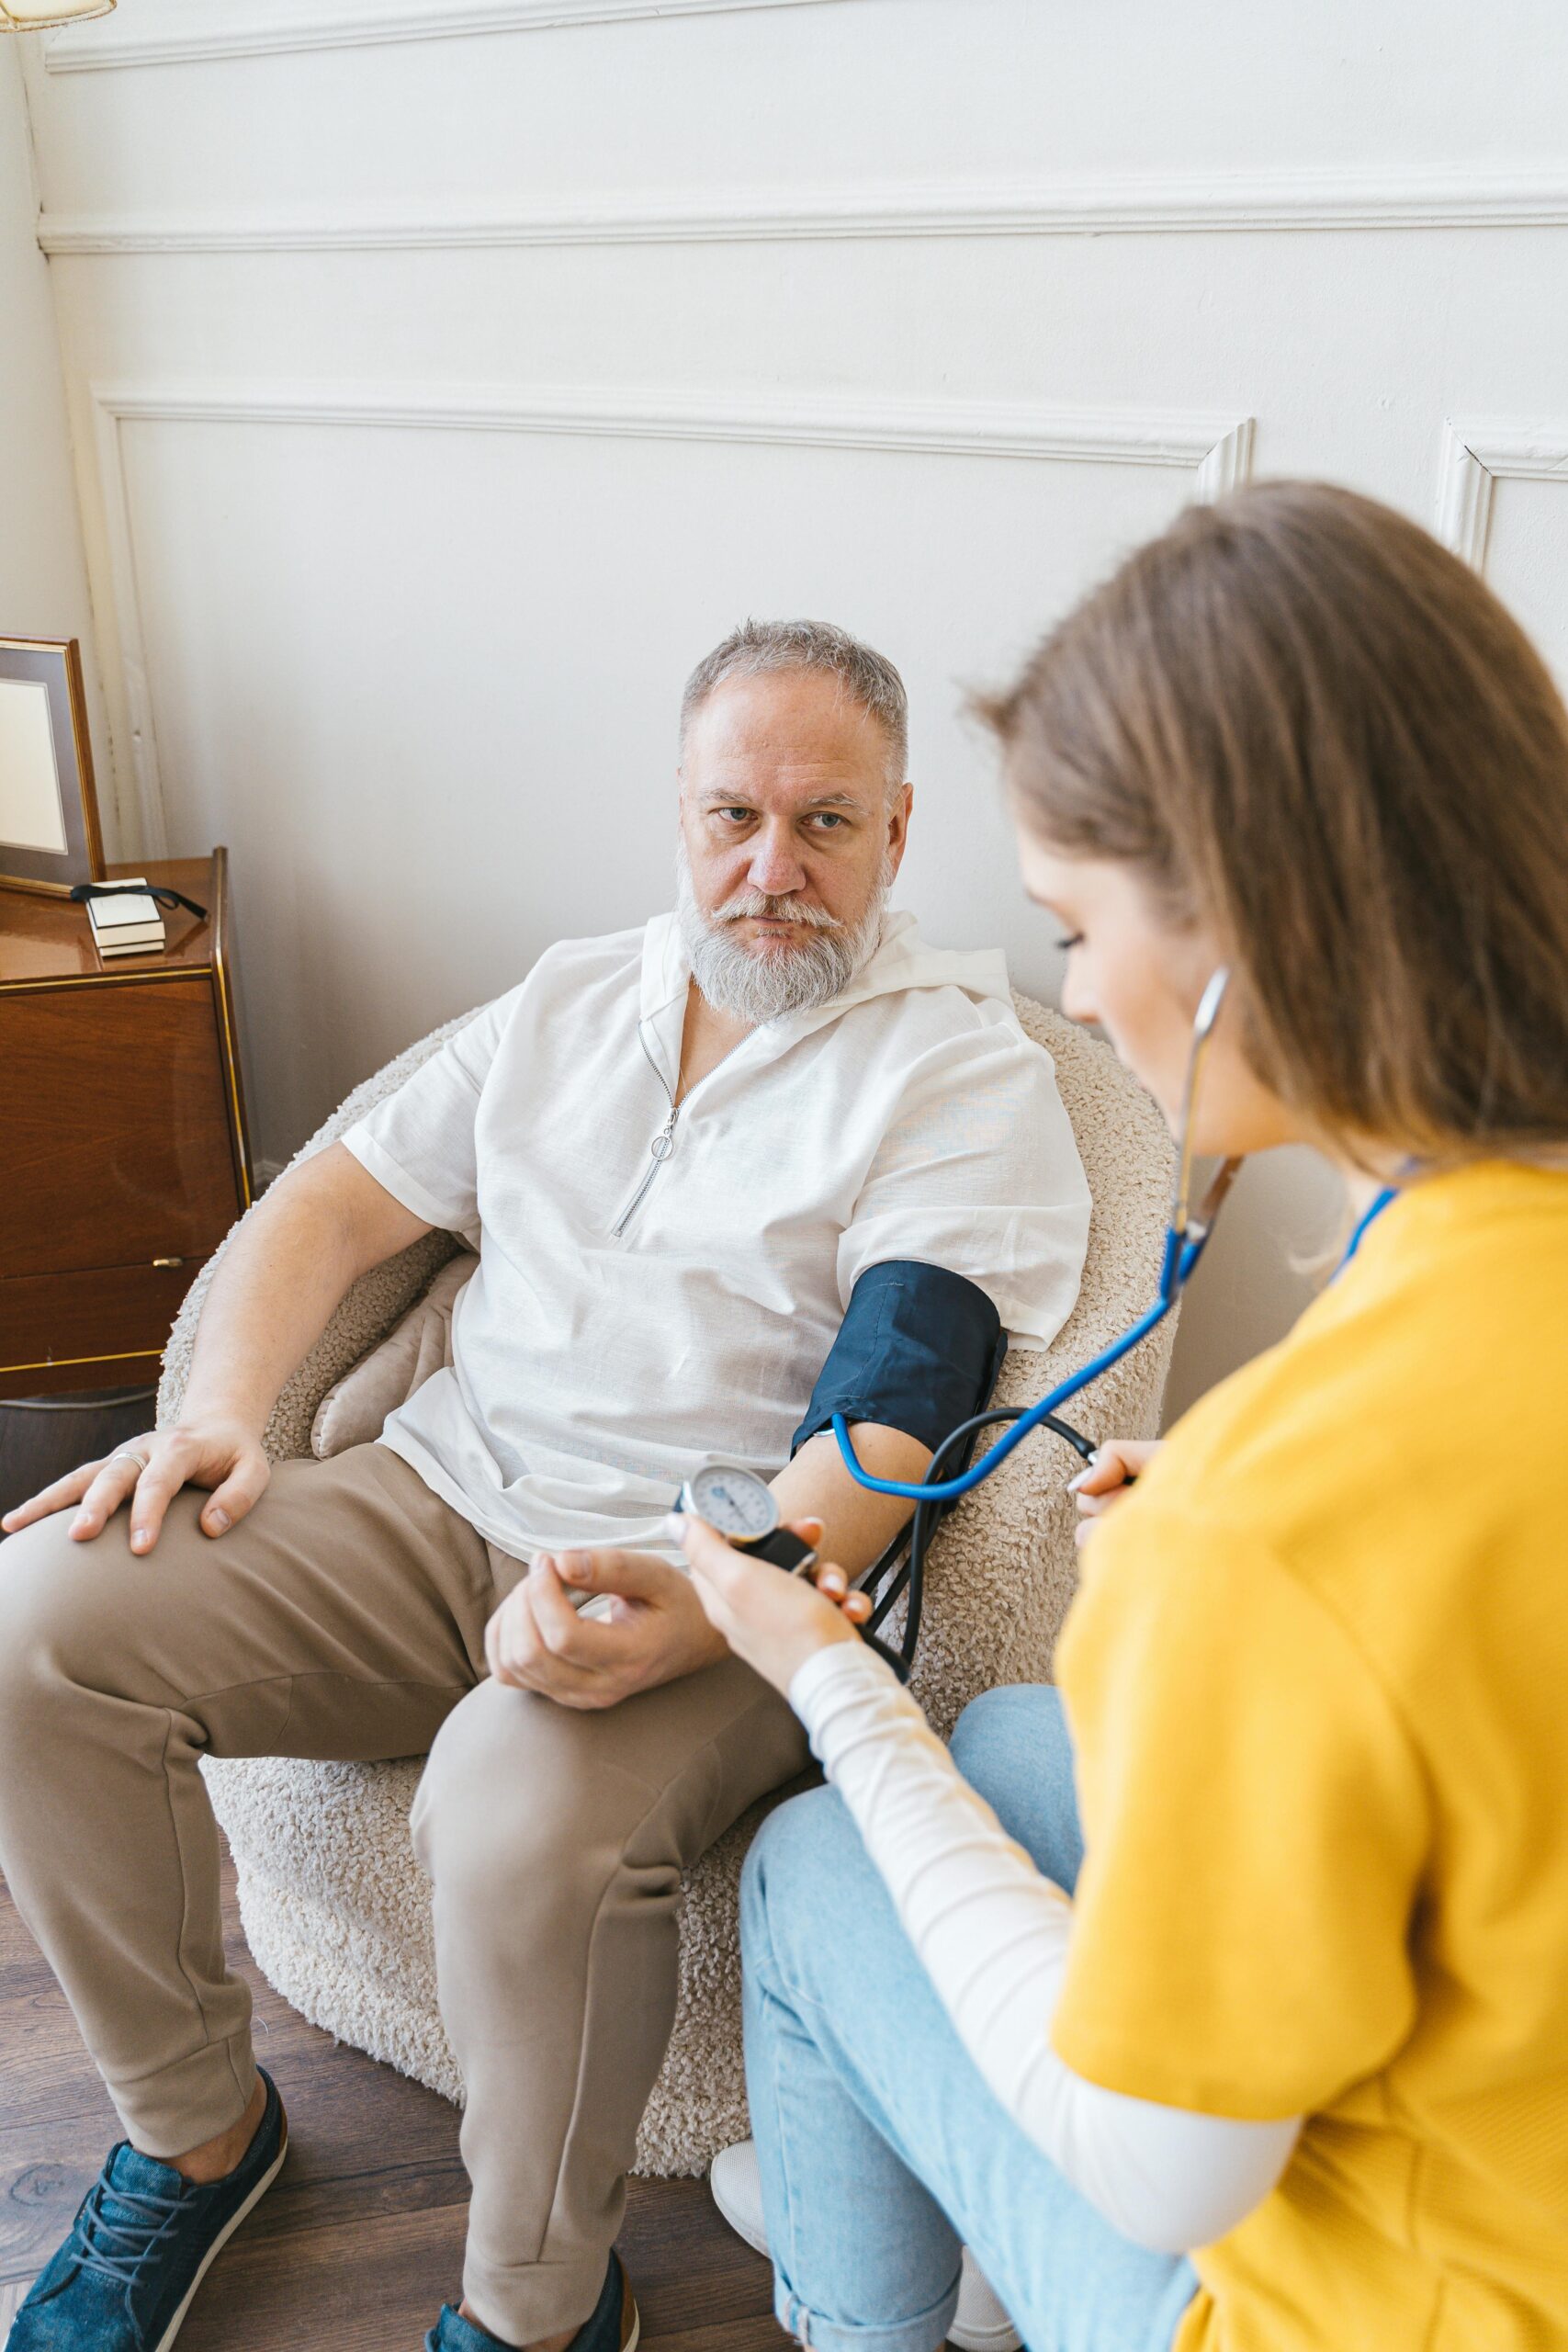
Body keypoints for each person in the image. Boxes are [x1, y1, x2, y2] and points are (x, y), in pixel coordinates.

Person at [0, 619, 1093, 2352]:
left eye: (824, 824)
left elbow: (897, 1415)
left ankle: (537, 2311)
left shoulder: (962, 1073)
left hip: (709, 1571)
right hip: (434, 1501)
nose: (770, 867)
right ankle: (196, 2139)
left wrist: (727, 1579)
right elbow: (332, 1208)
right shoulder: (574, 992)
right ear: (679, 812)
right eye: (733, 814)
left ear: (899, 833)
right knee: (35, 1621)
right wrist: (223, 1413)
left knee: (514, 1819)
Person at [674, 487, 1568, 2352]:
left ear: (1254, 934)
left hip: (1397, 2301)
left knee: (815, 1859)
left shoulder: (1281, 1511)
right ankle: (894, 2166)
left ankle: (869, 2282)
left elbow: (1164, 2169)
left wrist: (825, 1680)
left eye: (1078, 925)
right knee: (1007, 1734)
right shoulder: (1410, 1365)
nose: (1078, 990)